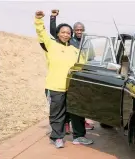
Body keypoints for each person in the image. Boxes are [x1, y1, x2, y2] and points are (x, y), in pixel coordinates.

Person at [34, 10, 93, 148]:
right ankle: (57, 137)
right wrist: (38, 20)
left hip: (73, 88)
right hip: (55, 87)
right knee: (57, 114)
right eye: (63, 32)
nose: (66, 34)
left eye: (68, 33)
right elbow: (41, 33)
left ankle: (79, 136)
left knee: (77, 113)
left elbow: (83, 65)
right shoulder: (51, 45)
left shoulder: (75, 50)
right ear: (58, 33)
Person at [49, 9, 95, 132]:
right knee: (65, 103)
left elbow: (91, 57)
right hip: (67, 77)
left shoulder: (88, 42)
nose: (79, 32)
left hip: (81, 75)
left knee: (78, 103)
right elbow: (54, 33)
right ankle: (66, 124)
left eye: (81, 30)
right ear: (73, 31)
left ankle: (81, 123)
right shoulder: (70, 41)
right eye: (77, 30)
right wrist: (53, 18)